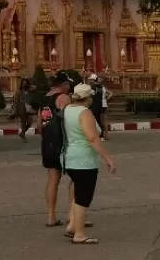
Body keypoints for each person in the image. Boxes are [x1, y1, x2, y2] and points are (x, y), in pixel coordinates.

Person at [62, 82, 117, 245]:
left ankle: (73, 225)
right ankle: (79, 233)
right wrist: (108, 158)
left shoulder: (68, 109)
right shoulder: (84, 113)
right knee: (83, 197)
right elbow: (92, 138)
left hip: (70, 157)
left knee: (78, 192)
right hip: (84, 159)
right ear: (88, 97)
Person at [39, 73, 73, 227]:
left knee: (53, 180)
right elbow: (70, 120)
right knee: (76, 179)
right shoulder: (63, 98)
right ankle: (73, 215)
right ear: (64, 84)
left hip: (48, 142)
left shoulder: (44, 99)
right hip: (63, 142)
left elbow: (39, 126)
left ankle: (51, 216)